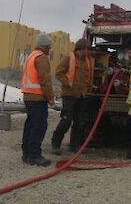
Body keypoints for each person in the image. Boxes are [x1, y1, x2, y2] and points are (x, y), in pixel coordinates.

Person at [51, 38, 94, 155]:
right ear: (81, 49)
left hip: (82, 95)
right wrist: (67, 83)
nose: (89, 51)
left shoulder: (88, 61)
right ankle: (55, 144)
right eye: (87, 49)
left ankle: (74, 146)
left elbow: (89, 78)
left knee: (79, 122)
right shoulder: (69, 58)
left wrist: (88, 90)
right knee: (66, 120)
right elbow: (58, 73)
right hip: (69, 95)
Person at [21, 32, 54, 166]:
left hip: (28, 96)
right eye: (49, 46)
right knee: (39, 126)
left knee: (30, 125)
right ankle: (35, 155)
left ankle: (27, 153)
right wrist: (50, 97)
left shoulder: (31, 56)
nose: (50, 48)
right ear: (45, 46)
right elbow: (44, 80)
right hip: (37, 98)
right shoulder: (42, 58)